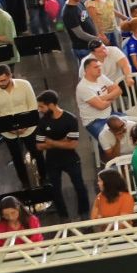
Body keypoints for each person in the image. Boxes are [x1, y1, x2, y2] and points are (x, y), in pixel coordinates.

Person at [34, 90, 89, 220]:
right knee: (55, 190)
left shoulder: (70, 119)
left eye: (42, 106)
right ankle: (63, 216)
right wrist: (63, 141)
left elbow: (73, 144)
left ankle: (84, 213)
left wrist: (51, 142)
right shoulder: (42, 122)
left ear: (51, 105)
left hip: (70, 158)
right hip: (52, 161)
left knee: (80, 186)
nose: (39, 109)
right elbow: (39, 145)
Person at [0, 64, 41, 189]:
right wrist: (10, 129)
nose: (1, 84)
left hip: (29, 127)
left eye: (3, 80)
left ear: (10, 75)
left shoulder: (24, 85)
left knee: (37, 153)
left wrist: (25, 126)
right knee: (17, 158)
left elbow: (33, 106)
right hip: (8, 131)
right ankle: (25, 183)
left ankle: (43, 178)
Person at [77, 57, 124, 140]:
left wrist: (103, 97)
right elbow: (101, 106)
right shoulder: (83, 87)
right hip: (94, 121)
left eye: (100, 66)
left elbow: (119, 90)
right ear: (87, 70)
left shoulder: (101, 77)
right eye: (96, 67)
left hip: (109, 114)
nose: (99, 69)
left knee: (134, 126)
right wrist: (112, 96)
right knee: (110, 140)